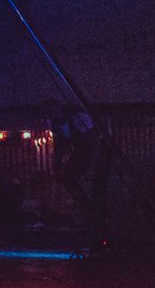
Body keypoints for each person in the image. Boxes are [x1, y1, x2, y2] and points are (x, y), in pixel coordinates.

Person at [43, 97, 111, 235]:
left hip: (99, 150)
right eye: (48, 112)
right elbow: (59, 147)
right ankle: (90, 210)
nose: (51, 114)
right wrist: (56, 169)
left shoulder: (78, 118)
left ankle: (101, 218)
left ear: (59, 109)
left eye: (53, 111)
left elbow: (94, 145)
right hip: (81, 150)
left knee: (97, 184)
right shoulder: (53, 124)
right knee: (67, 179)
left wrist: (91, 168)